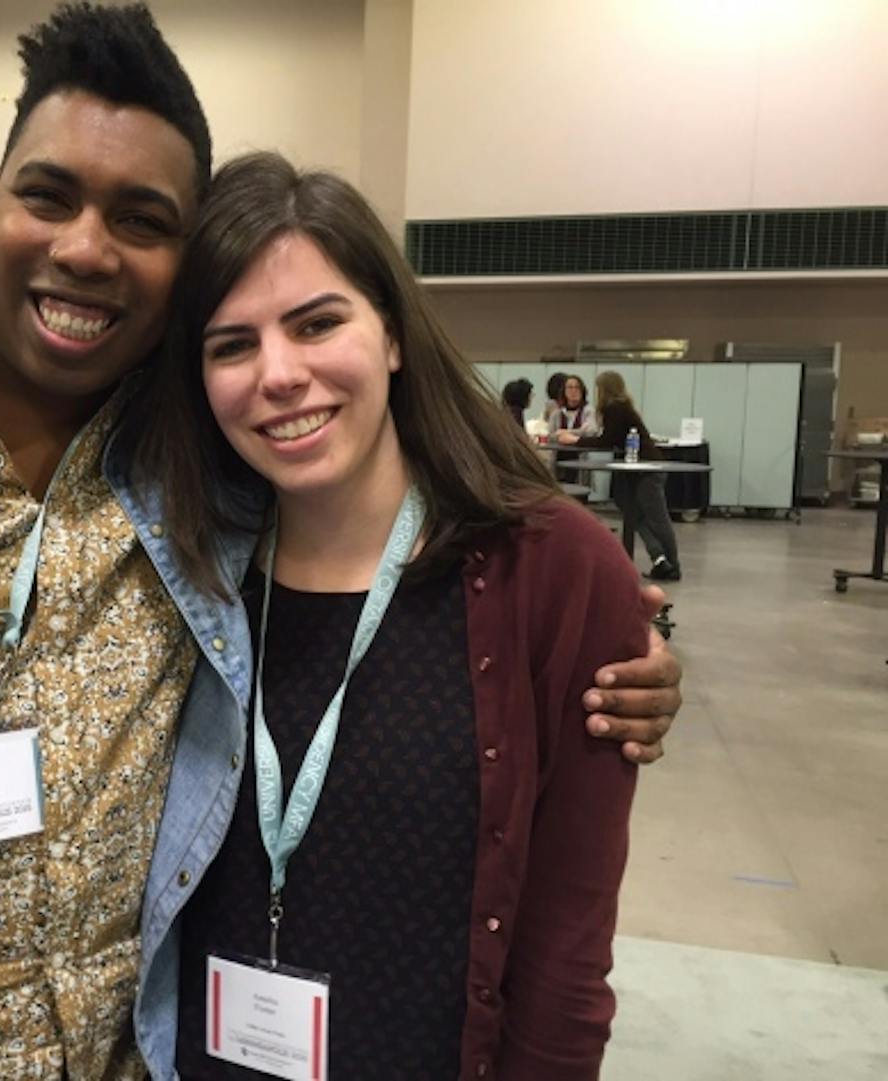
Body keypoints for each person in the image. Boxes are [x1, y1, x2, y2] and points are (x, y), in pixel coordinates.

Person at [0, 7, 682, 1080]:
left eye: (143, 219)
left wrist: (611, 654)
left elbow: (398, 533)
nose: (84, 248)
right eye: (49, 195)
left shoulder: (196, 460)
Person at [131, 152, 646, 1081]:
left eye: (317, 322)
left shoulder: (554, 571)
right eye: (232, 343)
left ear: (395, 334)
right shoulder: (191, 573)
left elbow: (568, 947)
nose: (278, 374)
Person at [557, 370, 681, 581]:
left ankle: (672, 565)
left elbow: (607, 440)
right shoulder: (622, 408)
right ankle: (660, 558)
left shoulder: (615, 409)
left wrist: (574, 441)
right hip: (637, 465)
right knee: (630, 510)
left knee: (656, 517)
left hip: (647, 467)